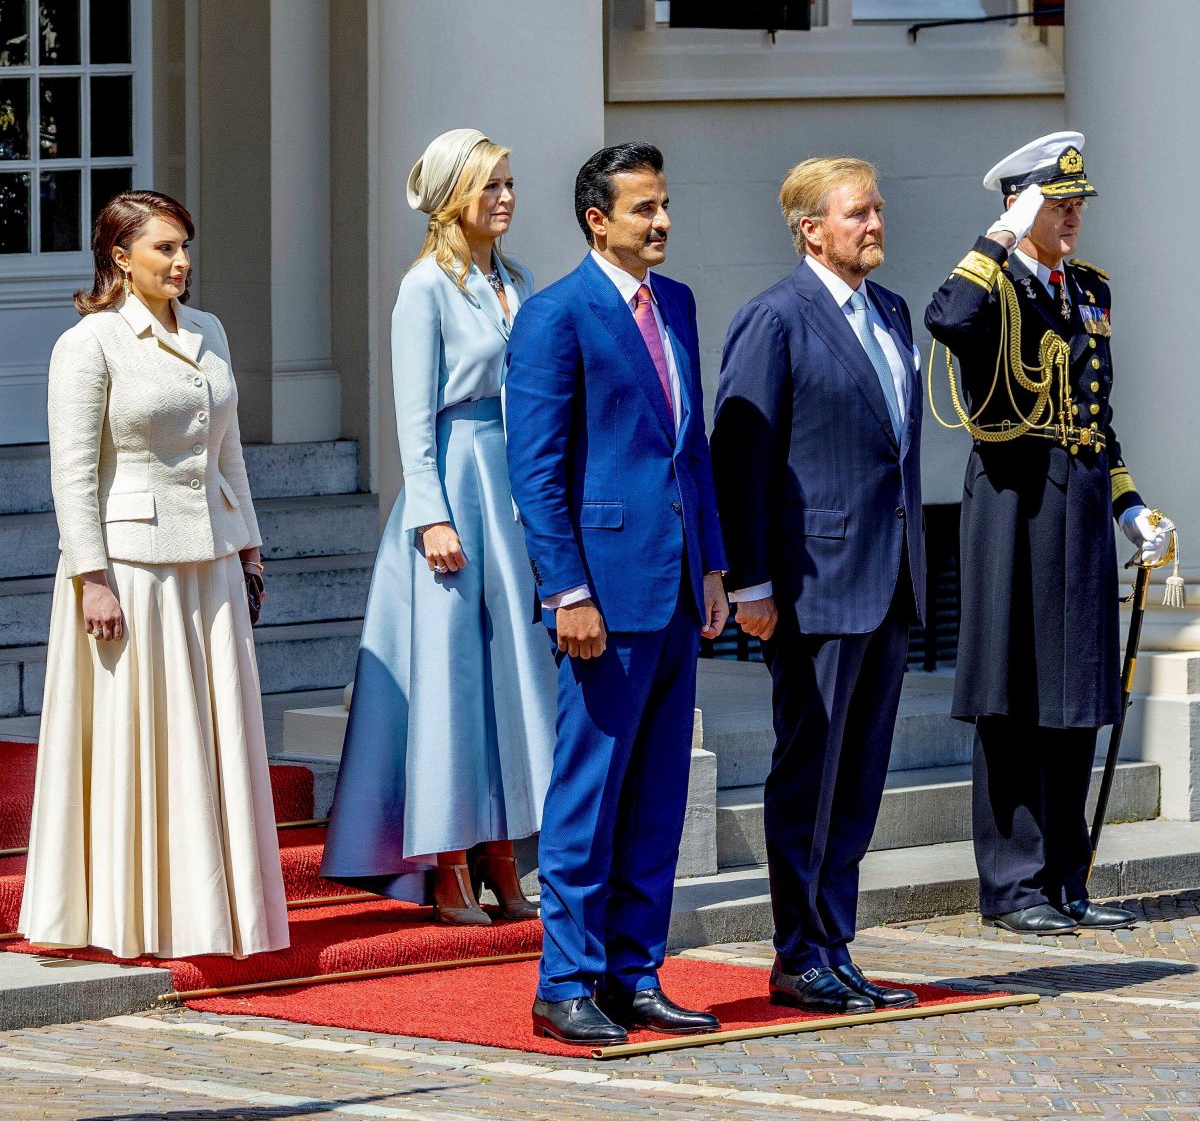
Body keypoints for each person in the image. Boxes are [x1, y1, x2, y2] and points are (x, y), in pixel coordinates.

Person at [20, 191, 288, 960]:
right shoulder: (89, 343)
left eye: (184, 247)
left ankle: (209, 916)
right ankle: (129, 916)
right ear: (120, 256)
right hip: (132, 569)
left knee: (212, 739)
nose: (181, 261)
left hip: (214, 559)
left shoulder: (209, 330)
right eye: (164, 248)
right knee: (138, 741)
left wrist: (250, 547)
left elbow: (229, 448)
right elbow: (73, 475)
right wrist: (92, 578)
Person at [505, 142, 729, 1046]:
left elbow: (691, 447)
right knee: (588, 796)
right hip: (600, 592)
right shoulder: (554, 315)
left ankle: (635, 974)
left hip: (675, 588)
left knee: (658, 799)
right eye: (645, 207)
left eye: (664, 203)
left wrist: (712, 565)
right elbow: (536, 470)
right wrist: (566, 590)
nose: (663, 220)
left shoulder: (676, 303)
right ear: (598, 220)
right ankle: (563, 983)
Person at [925, 131, 1174, 935]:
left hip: (1079, 505)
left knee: (1077, 693)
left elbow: (1098, 417)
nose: (1071, 217)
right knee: (1012, 696)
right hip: (1013, 503)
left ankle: (1068, 876)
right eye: (1056, 204)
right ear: (1020, 204)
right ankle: (1012, 885)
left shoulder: (1089, 289)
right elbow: (947, 318)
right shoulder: (990, 283)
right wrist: (1000, 236)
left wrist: (1129, 506)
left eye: (1075, 205)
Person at [321, 129, 557, 925]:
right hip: (453, 486)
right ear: (454, 196)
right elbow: (413, 415)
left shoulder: (520, 281)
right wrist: (430, 515)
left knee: (509, 678)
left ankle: (503, 853)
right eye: (490, 185)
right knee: (451, 682)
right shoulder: (423, 287)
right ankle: (448, 861)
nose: (506, 197)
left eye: (510, 182)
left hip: (511, 487)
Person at [711, 157, 925, 1015]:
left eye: (877, 208)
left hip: (889, 576)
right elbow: (742, 458)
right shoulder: (775, 318)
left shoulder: (890, 310)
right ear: (811, 229)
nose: (875, 224)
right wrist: (751, 581)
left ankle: (835, 943)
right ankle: (797, 953)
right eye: (857, 213)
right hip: (813, 583)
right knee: (811, 770)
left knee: (860, 775)